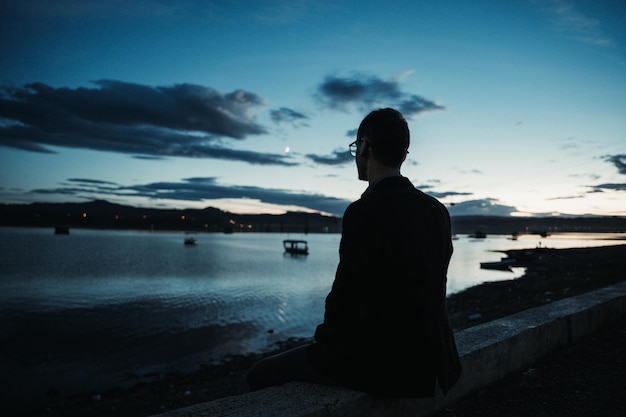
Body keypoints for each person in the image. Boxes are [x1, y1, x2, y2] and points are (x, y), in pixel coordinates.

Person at [247, 108, 461, 398]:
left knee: (257, 375)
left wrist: (323, 345)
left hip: (385, 362)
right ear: (403, 155)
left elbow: (345, 295)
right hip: (434, 359)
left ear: (363, 147)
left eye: (355, 147)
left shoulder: (364, 211)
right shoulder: (437, 211)